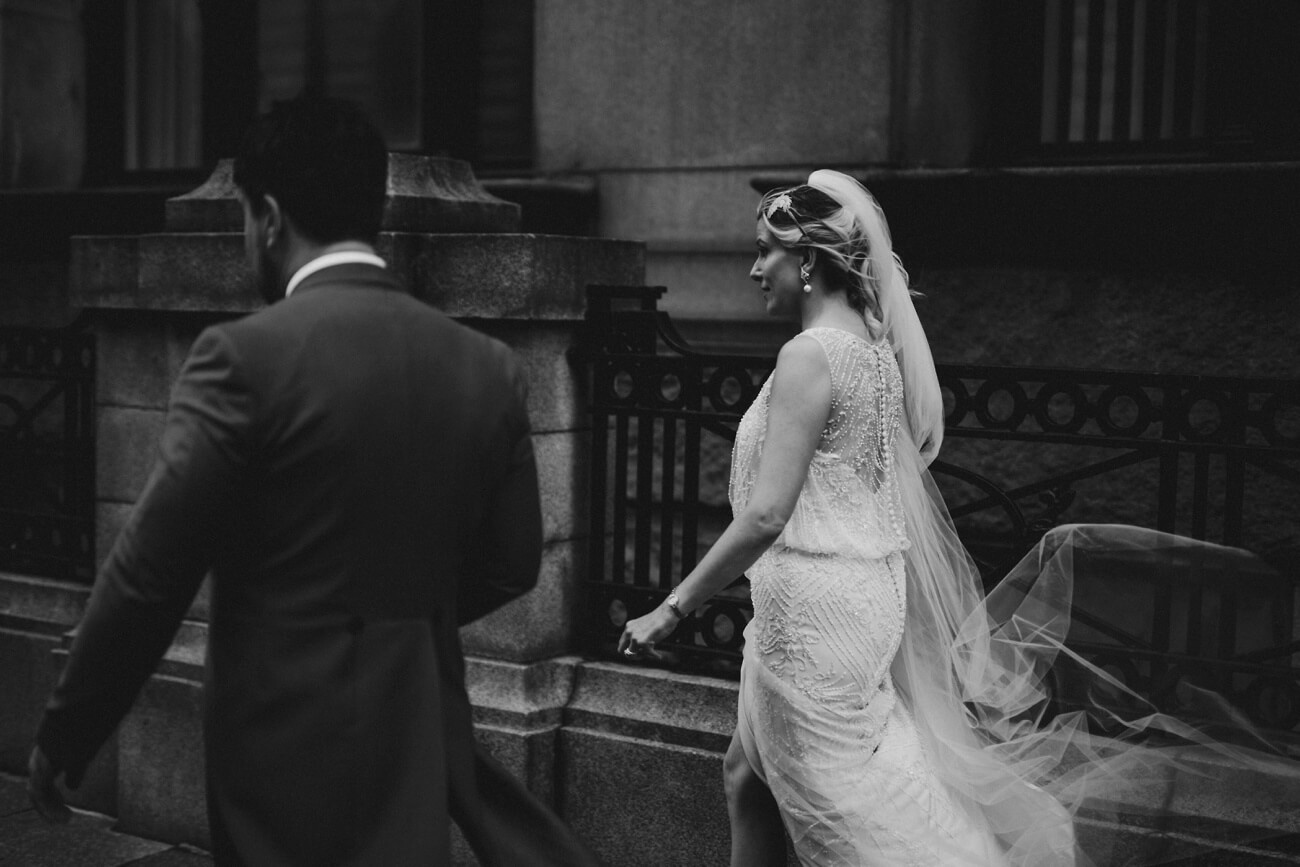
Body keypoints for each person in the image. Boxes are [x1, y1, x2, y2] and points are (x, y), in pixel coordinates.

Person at [620, 171, 1300, 867]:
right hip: (855, 599)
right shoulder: (872, 353)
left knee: (849, 812)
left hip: (813, 617)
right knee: (747, 772)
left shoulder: (808, 356)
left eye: (766, 250)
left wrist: (672, 609)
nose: (754, 267)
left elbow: (767, 511)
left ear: (810, 260)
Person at [28, 96, 603, 867]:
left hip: (280, 736)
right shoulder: (487, 366)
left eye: (241, 219)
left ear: (266, 216)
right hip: (414, 727)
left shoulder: (240, 358)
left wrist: (68, 729)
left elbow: (148, 575)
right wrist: (396, 618)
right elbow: (511, 562)